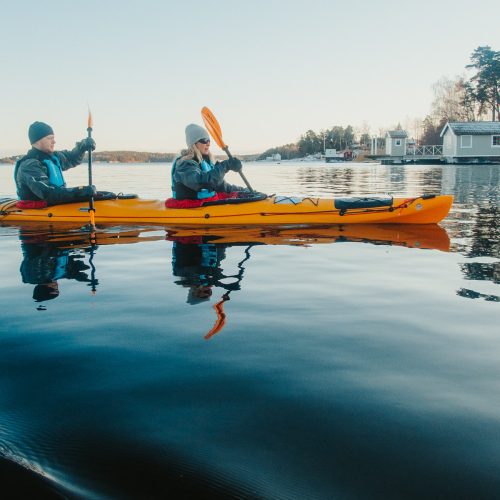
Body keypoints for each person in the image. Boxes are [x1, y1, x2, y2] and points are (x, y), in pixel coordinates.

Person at [14, 121, 97, 207]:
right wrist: (80, 191)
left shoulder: (54, 157)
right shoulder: (29, 165)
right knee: (86, 192)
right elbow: (48, 193)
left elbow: (72, 158)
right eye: (50, 138)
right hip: (38, 208)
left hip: (56, 203)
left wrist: (82, 147)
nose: (54, 141)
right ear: (37, 141)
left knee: (105, 195)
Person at [166, 123, 248, 208]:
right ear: (194, 144)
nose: (208, 143)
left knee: (239, 195)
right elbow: (201, 182)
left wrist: (243, 191)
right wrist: (225, 166)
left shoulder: (206, 163)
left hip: (205, 203)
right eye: (204, 140)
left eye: (209, 140)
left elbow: (221, 186)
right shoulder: (184, 165)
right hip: (190, 206)